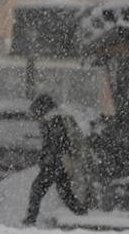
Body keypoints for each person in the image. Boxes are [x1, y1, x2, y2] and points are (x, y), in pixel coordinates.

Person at [23, 94, 88, 226]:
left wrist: (48, 161)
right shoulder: (57, 119)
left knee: (37, 188)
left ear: (42, 109)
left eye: (36, 114)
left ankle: (30, 219)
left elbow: (56, 145)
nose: (37, 120)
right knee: (64, 191)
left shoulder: (54, 121)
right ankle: (81, 213)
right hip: (59, 163)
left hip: (55, 163)